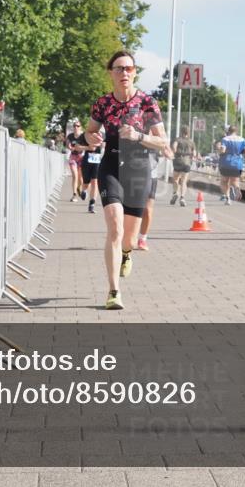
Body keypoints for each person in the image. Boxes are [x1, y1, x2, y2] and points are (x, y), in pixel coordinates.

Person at [83, 50, 167, 310]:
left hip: (139, 168)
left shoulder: (147, 103)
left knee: (128, 239)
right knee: (114, 228)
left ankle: (127, 253)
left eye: (129, 68)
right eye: (119, 68)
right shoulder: (102, 104)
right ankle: (113, 291)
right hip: (111, 166)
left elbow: (162, 142)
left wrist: (138, 136)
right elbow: (88, 133)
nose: (124, 73)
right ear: (111, 73)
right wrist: (91, 139)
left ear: (135, 73)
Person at [137, 143, 174, 251]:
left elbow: (166, 148)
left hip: (151, 175)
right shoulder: (134, 129)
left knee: (147, 210)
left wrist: (167, 152)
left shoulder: (156, 132)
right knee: (130, 209)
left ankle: (142, 239)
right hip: (131, 173)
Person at [217, 125, 245, 203]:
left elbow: (223, 150)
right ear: (236, 131)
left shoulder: (225, 139)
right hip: (237, 164)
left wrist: (219, 151)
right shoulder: (242, 139)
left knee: (224, 181)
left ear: (229, 131)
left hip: (226, 163)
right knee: (234, 181)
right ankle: (237, 188)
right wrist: (239, 152)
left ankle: (228, 198)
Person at [170, 125, 197, 206]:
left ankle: (175, 193)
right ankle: (182, 197)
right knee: (184, 181)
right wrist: (191, 157)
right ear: (188, 132)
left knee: (175, 179)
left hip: (178, 161)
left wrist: (174, 153)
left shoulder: (177, 139)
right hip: (187, 162)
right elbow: (194, 153)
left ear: (181, 131)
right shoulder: (191, 141)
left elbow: (174, 147)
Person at [81, 134, 104, 214]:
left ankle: (92, 204)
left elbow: (106, 146)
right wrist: (88, 147)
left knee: (95, 182)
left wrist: (102, 144)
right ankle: (83, 190)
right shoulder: (86, 135)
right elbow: (77, 146)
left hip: (97, 161)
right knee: (86, 183)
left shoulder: (103, 135)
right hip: (87, 161)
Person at [66, 120, 85, 202]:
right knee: (75, 175)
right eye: (74, 126)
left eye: (78, 126)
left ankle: (78, 187)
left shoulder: (83, 136)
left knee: (80, 178)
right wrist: (69, 146)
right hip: (73, 157)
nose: (76, 127)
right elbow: (67, 144)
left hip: (81, 157)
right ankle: (74, 195)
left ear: (80, 127)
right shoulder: (70, 136)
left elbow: (87, 146)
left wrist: (80, 147)